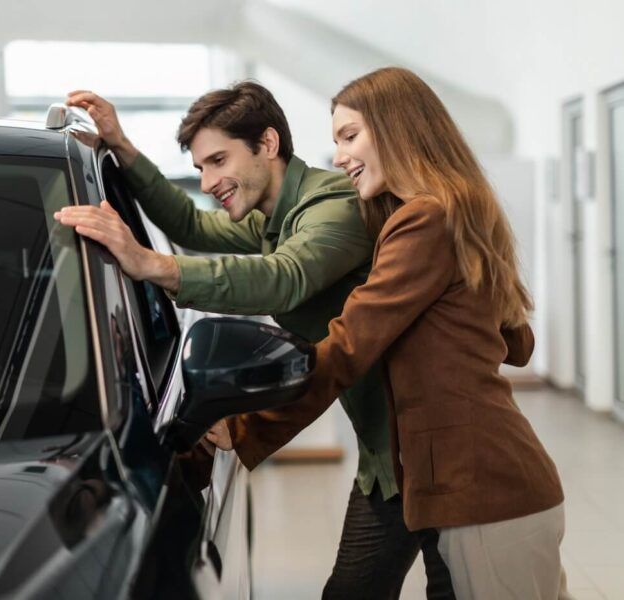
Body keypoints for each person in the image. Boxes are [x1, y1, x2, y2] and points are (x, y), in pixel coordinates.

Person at [55, 83, 455, 598]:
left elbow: (282, 277)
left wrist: (151, 263)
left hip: (431, 445)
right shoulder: (272, 218)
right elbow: (190, 224)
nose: (210, 180)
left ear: (267, 143)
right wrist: (124, 149)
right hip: (387, 453)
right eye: (201, 168)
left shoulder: (334, 206)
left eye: (219, 160)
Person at [205, 67, 569, 600]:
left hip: (486, 496)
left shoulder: (425, 221)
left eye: (350, 136)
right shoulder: (454, 209)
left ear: (398, 129)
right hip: (490, 488)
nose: (337, 156)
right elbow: (516, 342)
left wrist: (245, 427)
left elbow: (350, 346)